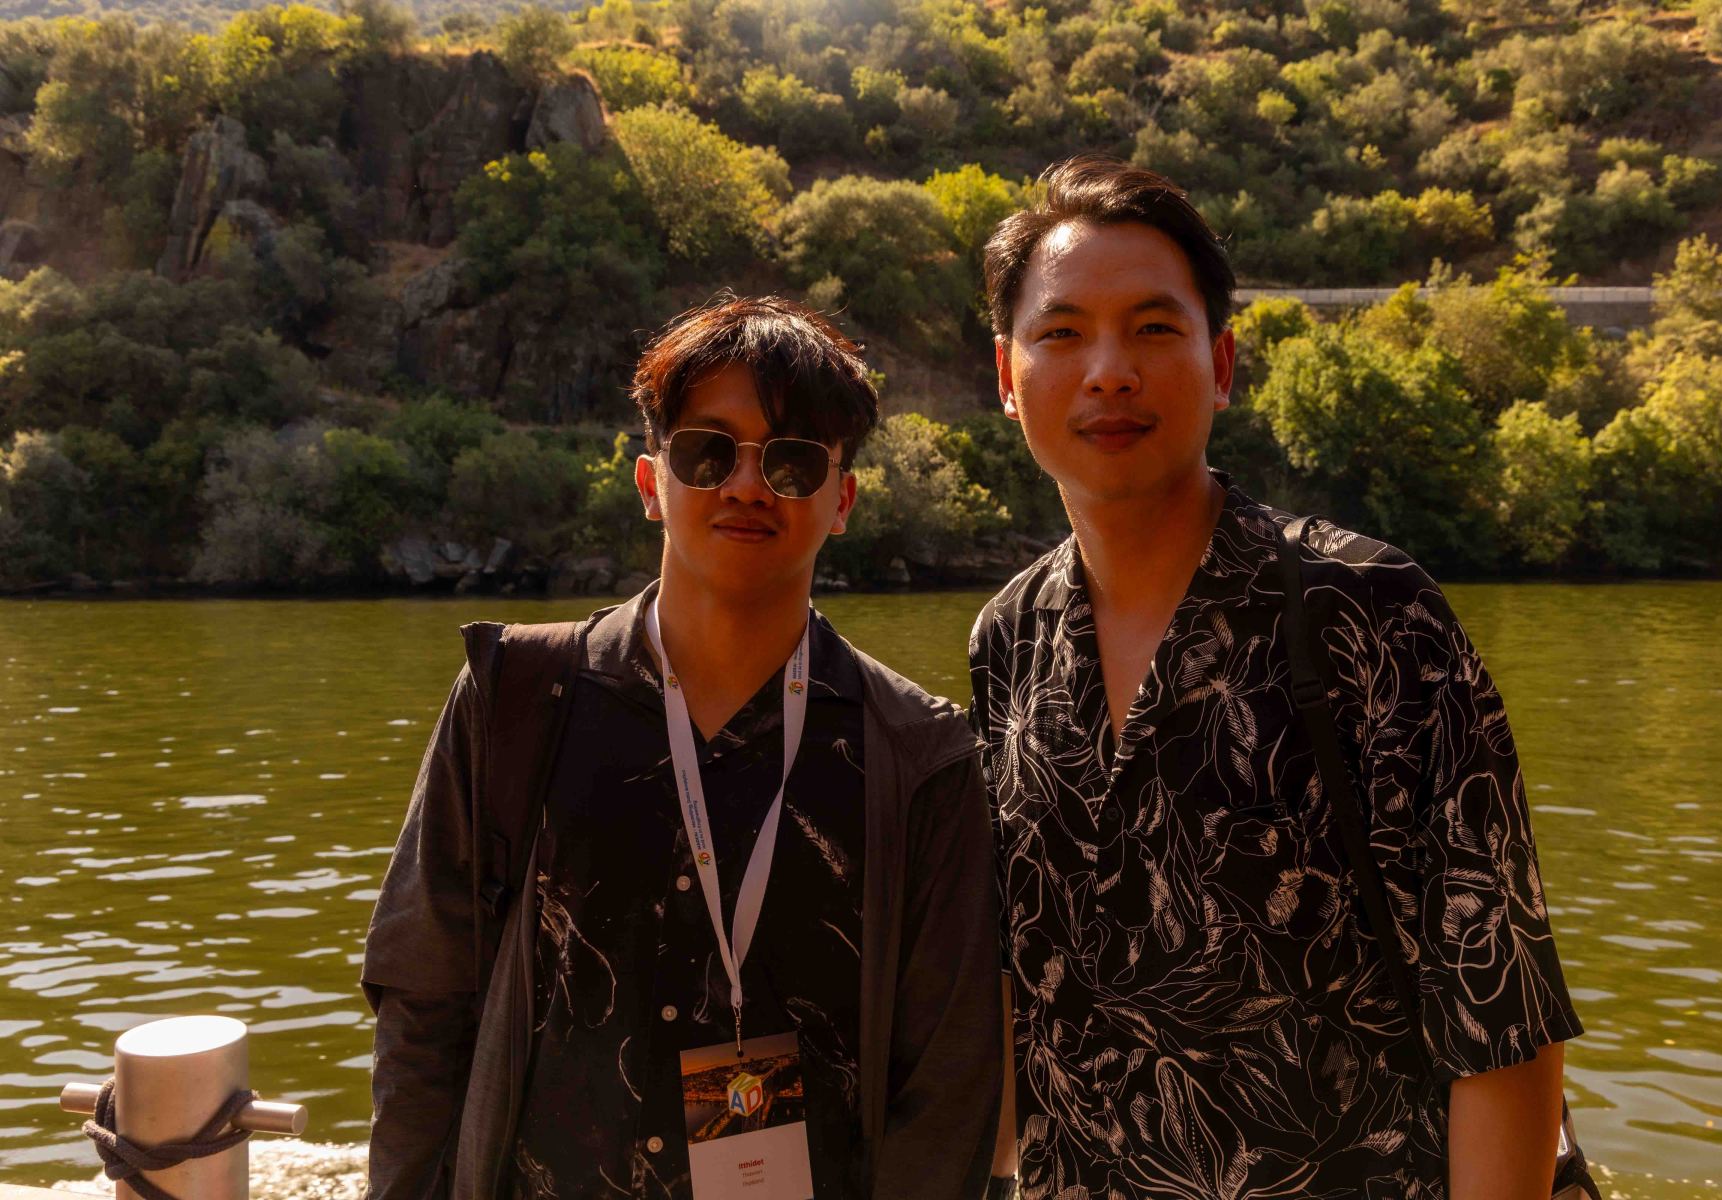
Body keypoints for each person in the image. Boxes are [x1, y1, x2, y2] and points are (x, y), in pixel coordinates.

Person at [968, 156, 1582, 1199]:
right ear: (1005, 375)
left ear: (1221, 364)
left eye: (1152, 328)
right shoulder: (1009, 640)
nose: (1108, 371)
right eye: (1062, 333)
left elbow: (1501, 1017)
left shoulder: (1370, 614)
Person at [363, 295, 1002, 1200]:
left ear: (842, 500)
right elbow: (423, 1001)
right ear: (650, 482)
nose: (746, 486)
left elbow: (947, 1086)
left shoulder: (918, 756)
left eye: (791, 460)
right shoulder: (516, 699)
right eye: (709, 452)